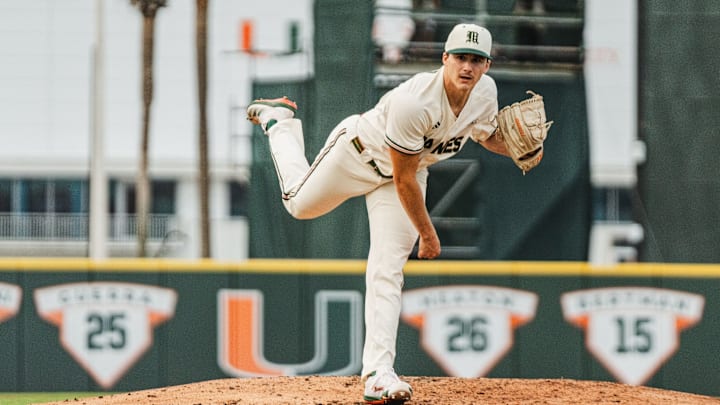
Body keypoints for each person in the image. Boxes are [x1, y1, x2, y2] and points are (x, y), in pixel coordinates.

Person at [247, 23, 510, 405]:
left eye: (476, 59)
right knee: (298, 204)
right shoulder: (416, 101)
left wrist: (521, 150)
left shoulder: (485, 93)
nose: (467, 67)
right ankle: (280, 124)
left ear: (486, 66)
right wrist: (428, 233)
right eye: (460, 58)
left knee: (387, 269)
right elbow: (403, 180)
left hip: (404, 173)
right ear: (445, 59)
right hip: (358, 155)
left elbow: (486, 134)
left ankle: (377, 374)